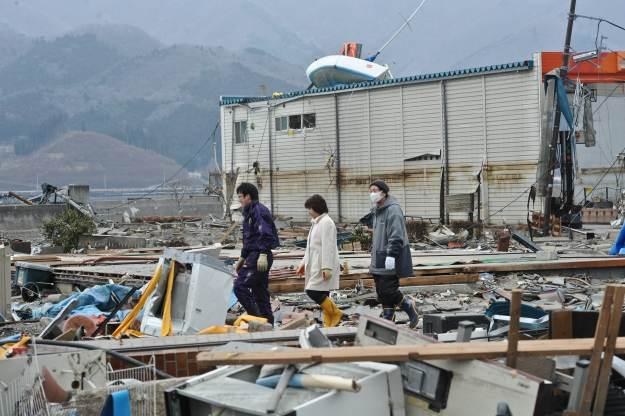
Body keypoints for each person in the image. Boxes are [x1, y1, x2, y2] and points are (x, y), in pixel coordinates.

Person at [368, 180, 419, 328]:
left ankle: (409, 306)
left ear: (383, 192)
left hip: (389, 257)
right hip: (378, 258)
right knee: (381, 292)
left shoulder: (393, 210)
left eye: (375, 190)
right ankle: (389, 316)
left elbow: (396, 235)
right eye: (370, 191)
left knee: (388, 290)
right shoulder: (377, 210)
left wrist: (391, 255)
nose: (372, 194)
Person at [233, 182, 280, 325]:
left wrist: (263, 253)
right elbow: (250, 238)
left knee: (239, 286)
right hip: (254, 255)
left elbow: (265, 234)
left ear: (248, 196)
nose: (239, 200)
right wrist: (242, 257)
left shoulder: (259, 211)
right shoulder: (249, 213)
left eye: (241, 196)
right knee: (260, 292)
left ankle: (257, 320)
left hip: (260, 256)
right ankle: (268, 323)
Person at [295, 194, 342, 327]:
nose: (308, 212)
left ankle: (336, 313)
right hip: (316, 263)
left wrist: (327, 267)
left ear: (316, 207)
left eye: (309, 208)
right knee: (323, 294)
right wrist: (303, 264)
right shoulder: (316, 223)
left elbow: (329, 246)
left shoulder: (327, 222)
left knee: (312, 291)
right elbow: (310, 247)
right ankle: (329, 323)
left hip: (323, 264)